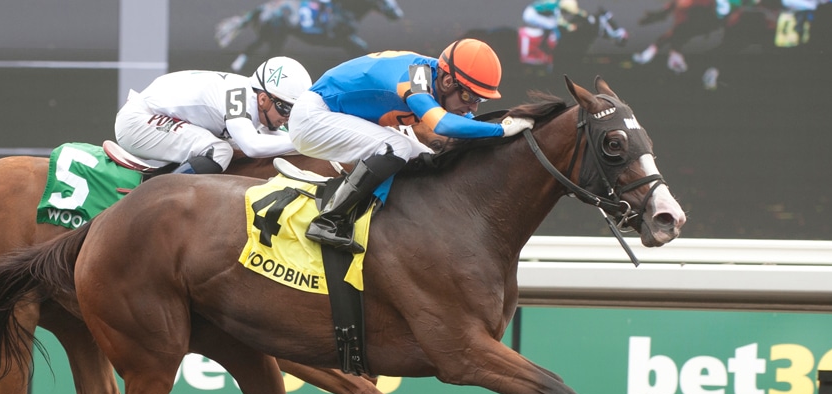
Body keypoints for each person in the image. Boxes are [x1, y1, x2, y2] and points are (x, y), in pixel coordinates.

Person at [287, 39, 535, 252]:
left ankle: (376, 215)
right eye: (469, 96)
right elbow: (443, 125)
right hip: (313, 117)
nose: (473, 107)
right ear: (448, 81)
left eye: (480, 99)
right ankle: (328, 221)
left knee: (425, 156)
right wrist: (501, 130)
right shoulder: (415, 77)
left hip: (336, 115)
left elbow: (469, 124)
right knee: (396, 147)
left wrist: (504, 131)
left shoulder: (435, 77)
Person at [113, 56, 313, 175]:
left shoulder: (255, 99)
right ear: (263, 99)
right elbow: (253, 146)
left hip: (162, 116)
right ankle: (160, 199)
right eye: (286, 109)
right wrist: (304, 141)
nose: (288, 118)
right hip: (138, 120)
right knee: (219, 151)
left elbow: (284, 139)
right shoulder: (239, 95)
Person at [523, 0, 587, 40]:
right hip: (531, 14)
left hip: (535, 12)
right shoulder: (556, 7)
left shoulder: (559, 2)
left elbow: (573, 10)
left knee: (552, 23)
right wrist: (568, 26)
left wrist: (582, 13)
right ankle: (546, 44)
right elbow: (559, 21)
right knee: (552, 25)